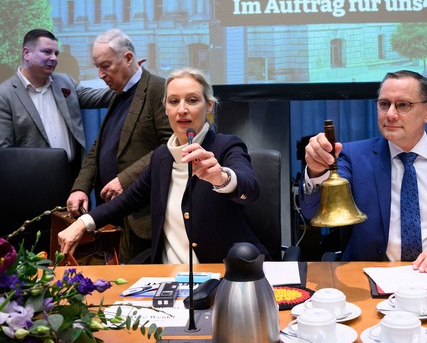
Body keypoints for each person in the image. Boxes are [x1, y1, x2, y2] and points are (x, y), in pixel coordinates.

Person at [300, 70, 427, 273]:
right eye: (384, 104)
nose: (390, 114)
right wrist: (317, 171)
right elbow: (313, 213)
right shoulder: (353, 156)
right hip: (367, 279)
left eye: (403, 105)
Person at [58, 68, 267, 263]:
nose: (182, 109)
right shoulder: (161, 156)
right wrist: (83, 223)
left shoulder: (226, 146)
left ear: (209, 106)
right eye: (174, 101)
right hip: (167, 276)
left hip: (222, 270)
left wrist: (221, 178)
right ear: (165, 108)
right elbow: (127, 201)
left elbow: (250, 189)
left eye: (192, 100)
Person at [66, 29, 173, 261]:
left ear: (128, 58)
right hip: (114, 215)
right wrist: (80, 187)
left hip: (145, 214)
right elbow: (100, 147)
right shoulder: (118, 93)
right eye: (97, 66)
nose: (100, 74)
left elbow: (171, 145)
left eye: (105, 66)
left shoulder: (158, 89)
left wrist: (125, 179)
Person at [0, 29, 114, 176]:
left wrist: (130, 79)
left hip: (74, 178)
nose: (54, 58)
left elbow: (101, 97)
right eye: (47, 52)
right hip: (32, 182)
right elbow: (5, 152)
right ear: (26, 53)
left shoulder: (64, 82)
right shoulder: (5, 95)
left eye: (56, 53)